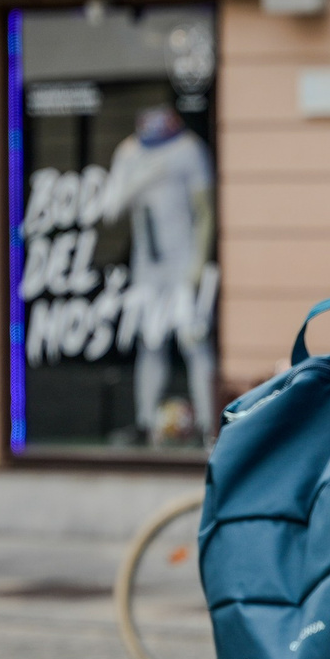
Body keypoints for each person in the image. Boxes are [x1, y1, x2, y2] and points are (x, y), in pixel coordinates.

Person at [97, 102, 217, 444]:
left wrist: (198, 263)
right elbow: (110, 209)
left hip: (182, 259)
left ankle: (209, 426)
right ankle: (147, 422)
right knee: (150, 343)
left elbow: (204, 210)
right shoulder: (130, 151)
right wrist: (143, 177)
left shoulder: (188, 150)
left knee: (194, 340)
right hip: (146, 265)